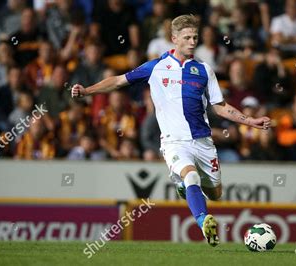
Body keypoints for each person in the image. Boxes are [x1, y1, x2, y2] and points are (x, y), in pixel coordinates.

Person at [71, 14, 271, 247]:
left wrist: (250, 121)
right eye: (187, 37)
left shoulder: (205, 70)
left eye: (195, 37)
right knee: (191, 176)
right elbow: (118, 80)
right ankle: (203, 220)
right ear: (174, 39)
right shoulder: (156, 67)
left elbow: (220, 106)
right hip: (174, 142)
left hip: (203, 141)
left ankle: (184, 187)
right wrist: (87, 91)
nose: (192, 42)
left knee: (215, 193)